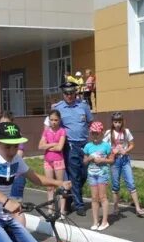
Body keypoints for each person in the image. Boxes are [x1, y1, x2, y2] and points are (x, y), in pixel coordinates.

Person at [51, 81, 93, 215]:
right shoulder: (58, 108)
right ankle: (79, 205)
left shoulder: (83, 106)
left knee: (84, 174)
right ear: (63, 94)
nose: (69, 95)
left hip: (85, 145)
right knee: (74, 175)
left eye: (71, 93)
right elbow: (53, 125)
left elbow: (90, 122)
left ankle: (69, 198)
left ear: (75, 92)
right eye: (66, 93)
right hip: (70, 145)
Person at [104, 112, 144, 217]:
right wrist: (112, 151)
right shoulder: (109, 133)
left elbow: (132, 144)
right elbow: (105, 146)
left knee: (131, 183)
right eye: (115, 122)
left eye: (119, 122)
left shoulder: (126, 131)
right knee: (115, 185)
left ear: (122, 122)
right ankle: (116, 207)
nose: (117, 124)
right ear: (112, 122)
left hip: (125, 160)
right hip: (115, 161)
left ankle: (137, 208)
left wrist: (126, 150)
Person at [83, 121, 114, 231]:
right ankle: (95, 221)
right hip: (92, 174)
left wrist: (102, 160)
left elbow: (112, 160)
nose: (95, 135)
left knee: (103, 197)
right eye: (93, 133)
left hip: (103, 174)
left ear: (102, 133)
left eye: (97, 133)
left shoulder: (106, 146)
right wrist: (89, 159)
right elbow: (84, 162)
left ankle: (105, 221)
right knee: (94, 198)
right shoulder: (88, 146)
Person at [0, 111, 26, 225]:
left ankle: (22, 237)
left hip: (16, 178)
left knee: (16, 210)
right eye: (1, 123)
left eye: (7, 123)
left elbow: (18, 155)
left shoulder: (17, 136)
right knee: (4, 210)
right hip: (2, 179)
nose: (4, 126)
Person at [39, 109, 67, 216]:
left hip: (58, 161)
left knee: (60, 185)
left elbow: (60, 147)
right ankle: (50, 209)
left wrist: (48, 145)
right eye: (51, 120)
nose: (53, 122)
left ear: (59, 120)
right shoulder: (46, 131)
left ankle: (62, 210)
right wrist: (52, 144)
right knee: (49, 186)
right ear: (49, 120)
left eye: (56, 120)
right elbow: (40, 146)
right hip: (48, 161)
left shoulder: (62, 131)